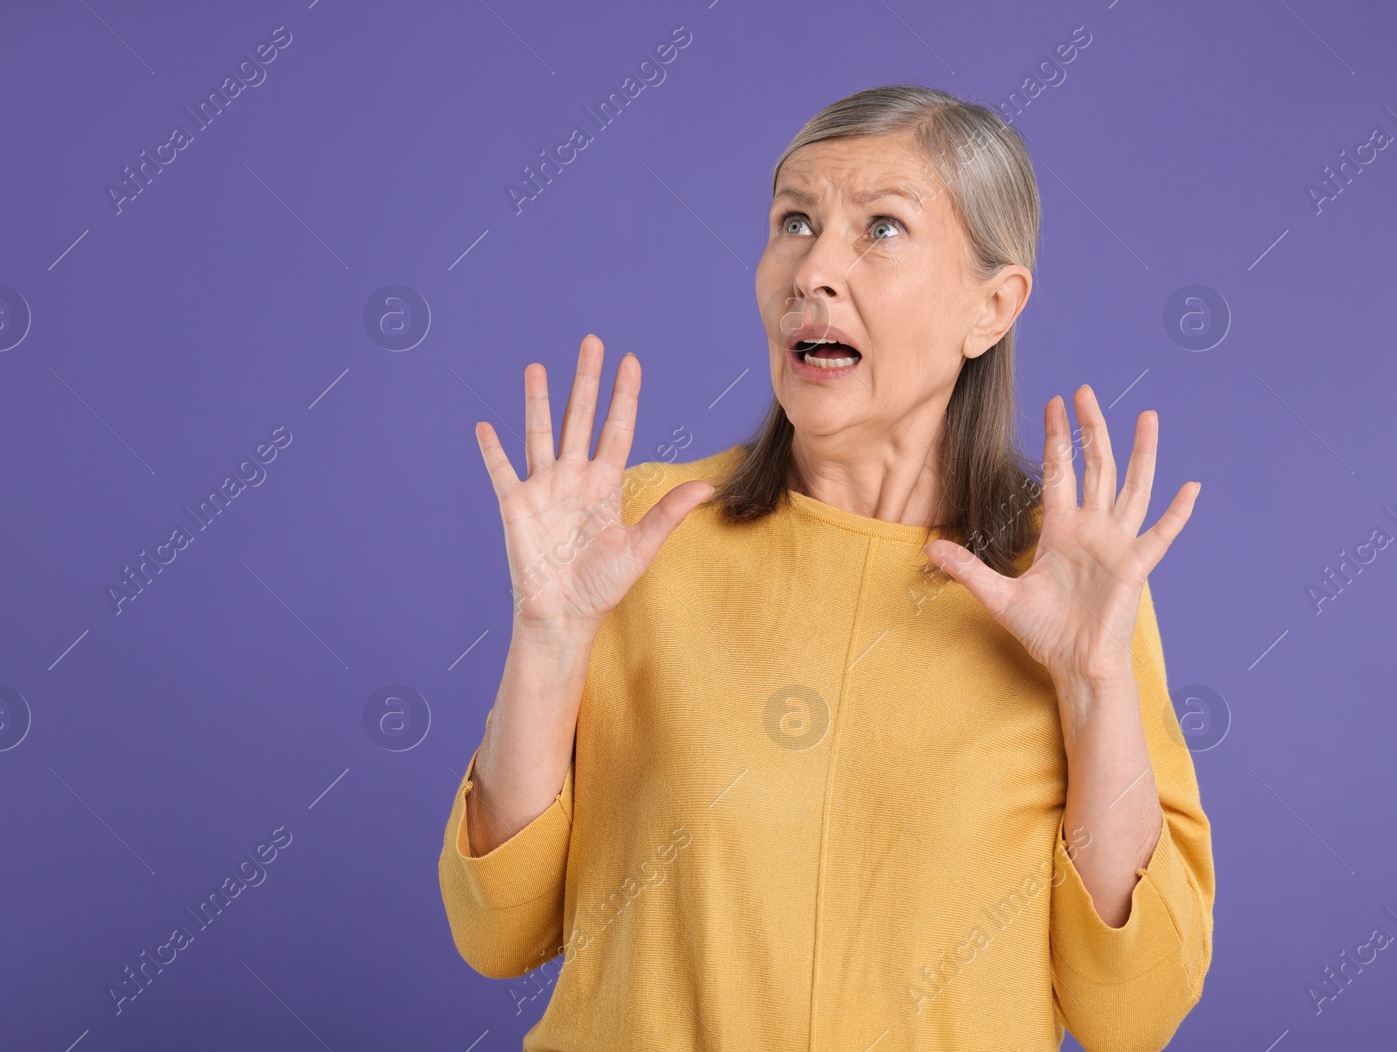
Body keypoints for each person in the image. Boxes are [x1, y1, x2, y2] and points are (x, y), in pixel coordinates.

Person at [438, 83, 1213, 1051]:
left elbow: (1131, 1012)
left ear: (991, 305)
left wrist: (1094, 690)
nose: (813, 268)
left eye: (880, 227)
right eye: (793, 221)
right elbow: (497, 932)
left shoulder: (1062, 582)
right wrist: (547, 640)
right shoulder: (633, 534)